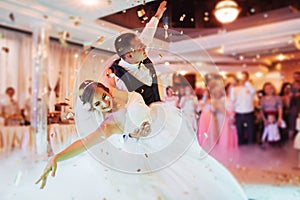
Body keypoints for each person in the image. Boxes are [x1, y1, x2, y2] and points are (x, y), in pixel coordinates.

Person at [36, 80, 247, 200]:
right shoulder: (110, 124)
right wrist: (58, 157)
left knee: (192, 176)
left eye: (103, 97)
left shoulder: (124, 95)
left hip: (162, 135)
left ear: (107, 90)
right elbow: (85, 142)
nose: (105, 103)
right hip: (144, 152)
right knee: (158, 188)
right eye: (99, 105)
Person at [108, 1, 167, 106]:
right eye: (140, 46)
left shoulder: (137, 54)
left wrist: (157, 16)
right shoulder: (122, 82)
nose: (144, 46)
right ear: (129, 55)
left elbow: (147, 34)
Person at [230, 71, 256, 145]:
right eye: (241, 77)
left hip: (249, 113)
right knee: (240, 133)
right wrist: (233, 87)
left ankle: (251, 150)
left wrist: (246, 82)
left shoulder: (251, 87)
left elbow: (253, 91)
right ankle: (241, 152)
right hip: (239, 114)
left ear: (247, 78)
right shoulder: (236, 88)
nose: (242, 79)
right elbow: (232, 99)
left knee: (251, 133)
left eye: (244, 77)